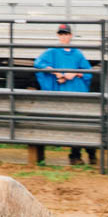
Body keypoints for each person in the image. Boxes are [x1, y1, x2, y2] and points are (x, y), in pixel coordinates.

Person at [34, 24, 97, 164]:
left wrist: (73, 73)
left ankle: (88, 153)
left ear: (70, 35)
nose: (63, 37)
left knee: (83, 124)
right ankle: (77, 154)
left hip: (78, 93)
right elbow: (39, 63)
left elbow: (88, 71)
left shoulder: (77, 53)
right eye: (61, 34)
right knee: (73, 125)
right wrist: (57, 73)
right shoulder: (52, 52)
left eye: (66, 34)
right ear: (58, 36)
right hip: (63, 94)